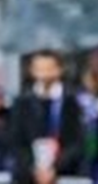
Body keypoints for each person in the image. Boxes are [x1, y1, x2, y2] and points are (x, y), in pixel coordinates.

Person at [10, 50, 86, 184]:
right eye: (39, 68)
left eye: (48, 68)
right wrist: (34, 168)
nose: (43, 73)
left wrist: (55, 168)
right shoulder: (22, 102)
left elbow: (77, 141)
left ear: (59, 70)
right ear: (32, 71)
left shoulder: (72, 101)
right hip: (29, 175)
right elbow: (16, 141)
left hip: (63, 174)